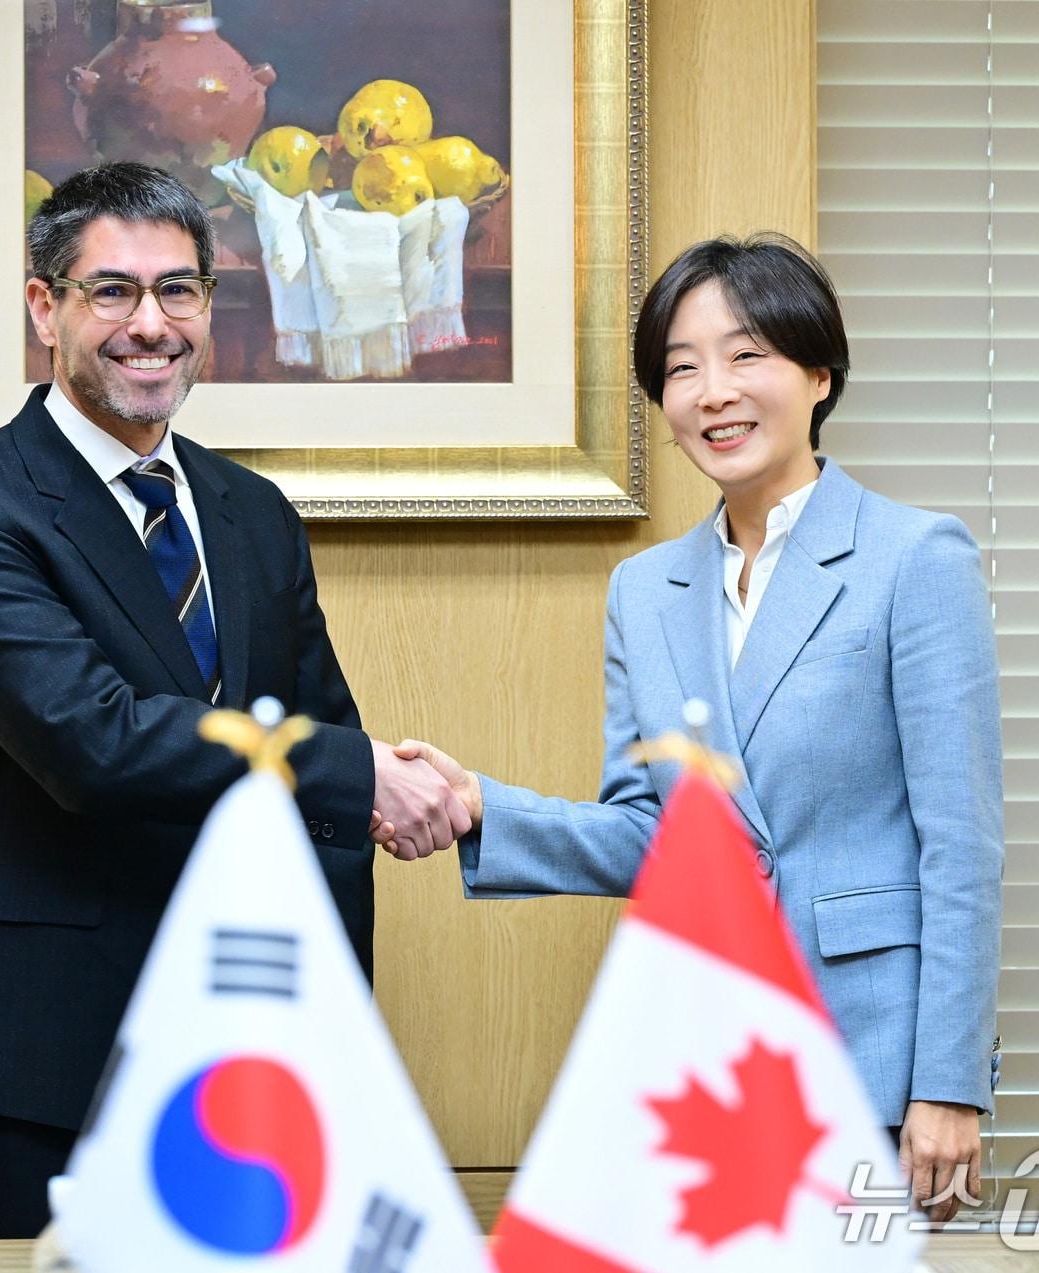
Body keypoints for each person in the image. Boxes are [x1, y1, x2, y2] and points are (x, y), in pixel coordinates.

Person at [381, 234, 1003, 1223]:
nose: (713, 390)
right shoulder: (644, 591)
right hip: (707, 1051)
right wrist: (475, 806)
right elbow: (654, 835)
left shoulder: (912, 559)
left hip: (870, 1053)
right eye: (680, 367)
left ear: (817, 371)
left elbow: (960, 848)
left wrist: (949, 1080)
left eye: (746, 353)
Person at [0, 162, 470, 1239]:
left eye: (178, 291)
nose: (148, 324)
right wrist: (362, 777)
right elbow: (91, 742)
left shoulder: (250, 512)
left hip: (256, 1065)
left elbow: (322, 760)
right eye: (110, 290)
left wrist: (331, 1029)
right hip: (49, 1056)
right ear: (44, 307)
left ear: (209, 307)